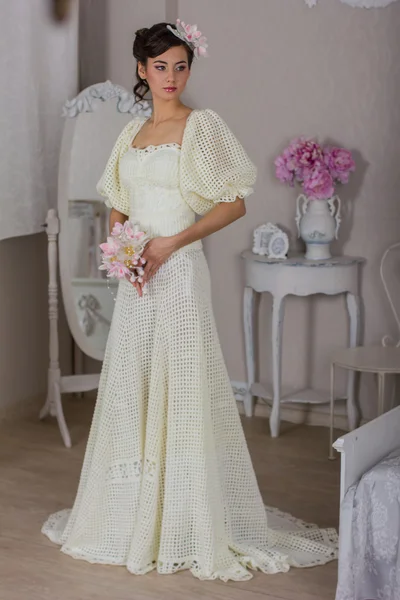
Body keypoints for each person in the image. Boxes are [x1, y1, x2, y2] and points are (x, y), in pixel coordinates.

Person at [42, 19, 338, 582]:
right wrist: (126, 254)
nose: (171, 77)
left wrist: (169, 245)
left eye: (181, 65)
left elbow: (233, 203)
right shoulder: (130, 136)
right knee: (134, 382)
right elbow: (118, 203)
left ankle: (183, 515)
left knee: (182, 381)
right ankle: (133, 512)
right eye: (160, 67)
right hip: (139, 279)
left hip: (177, 272)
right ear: (141, 70)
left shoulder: (202, 127)